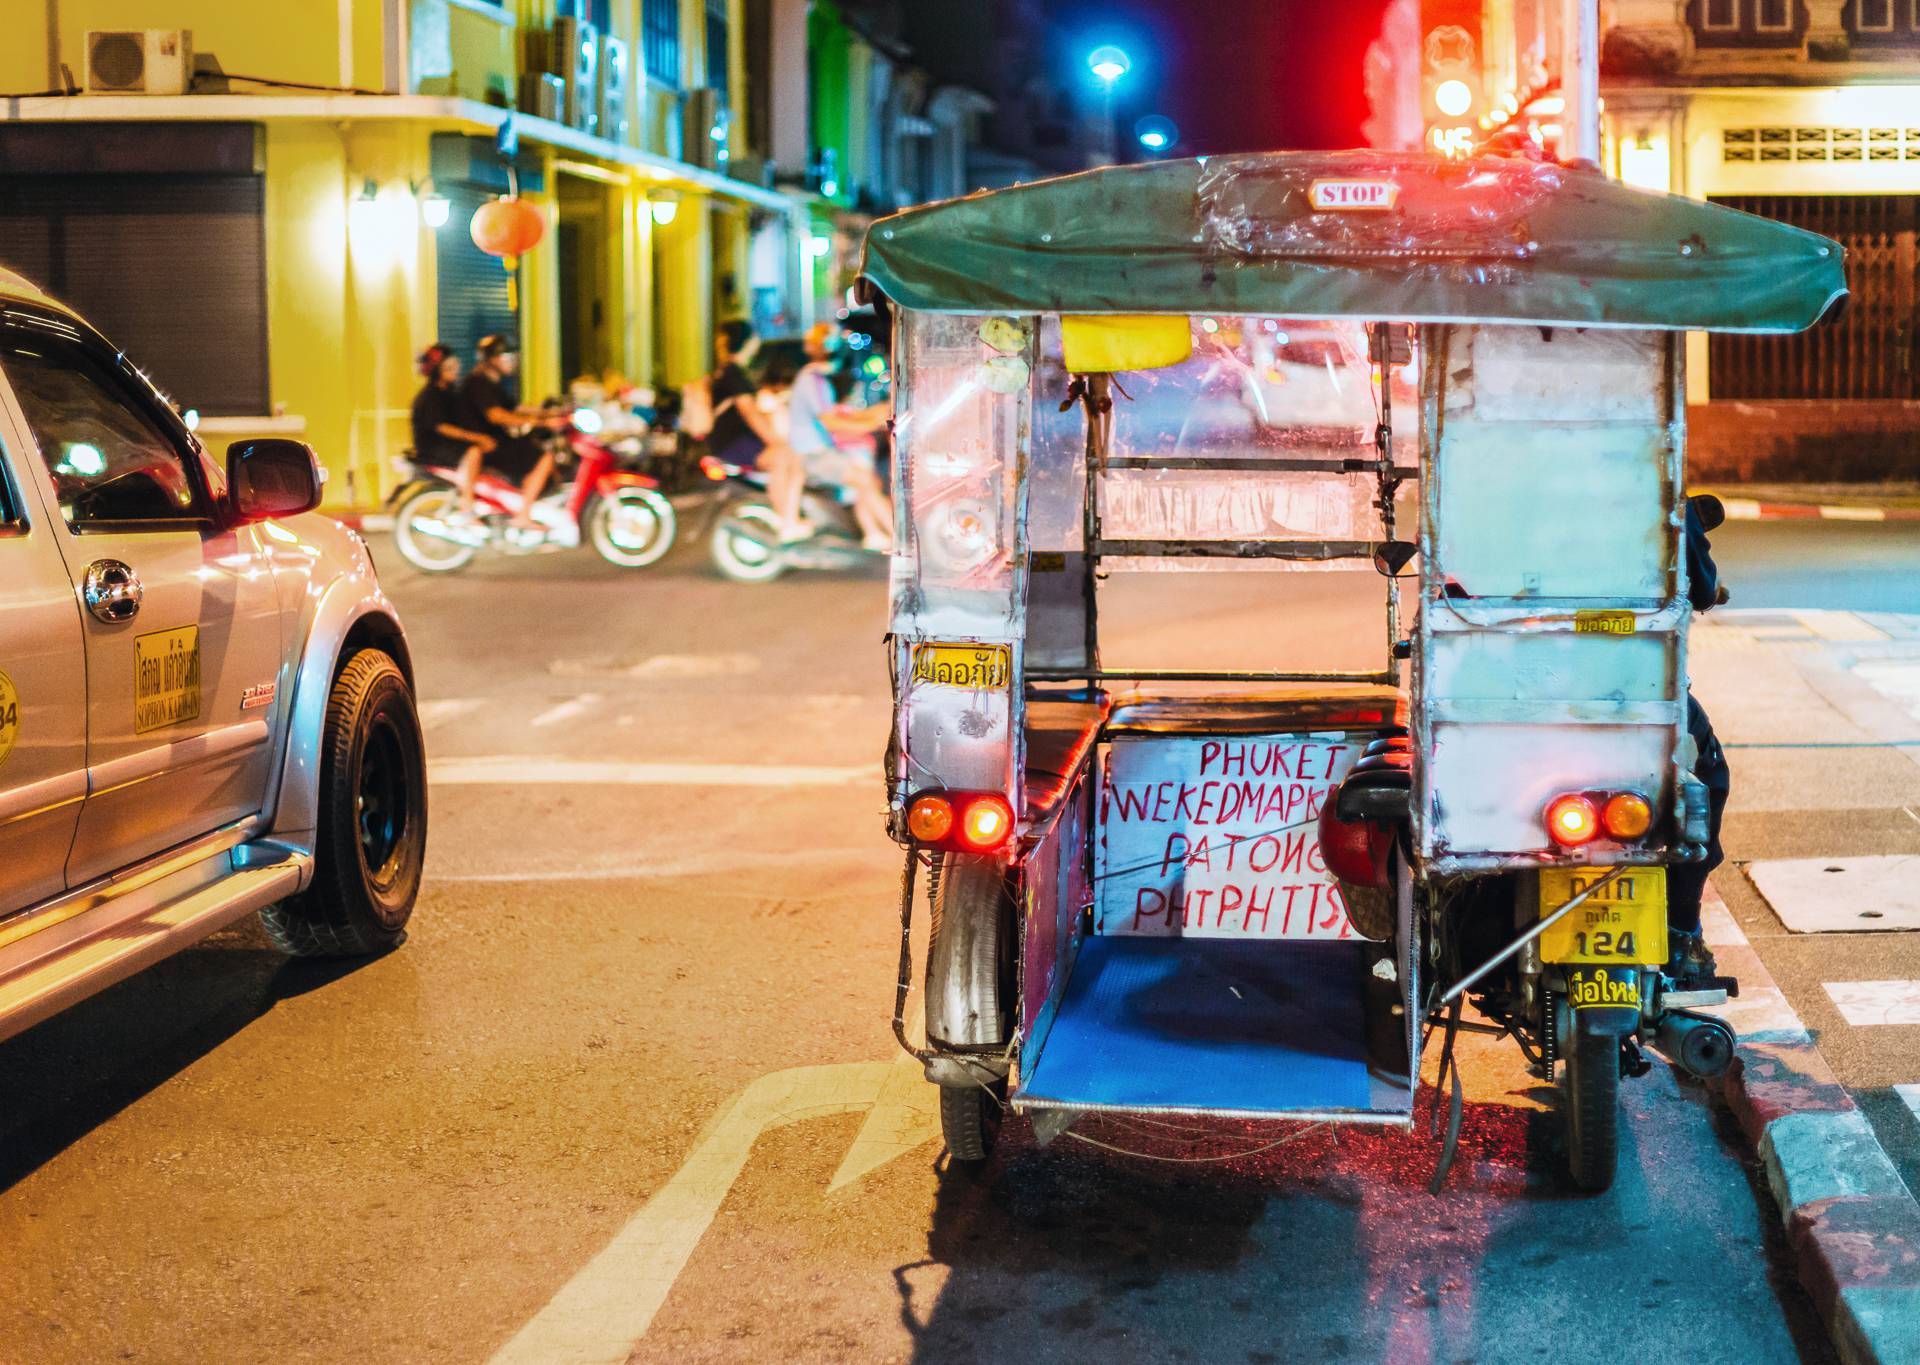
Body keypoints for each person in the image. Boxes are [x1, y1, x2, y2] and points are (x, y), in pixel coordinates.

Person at [1669, 493, 1735, 991]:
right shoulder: (1655, 483)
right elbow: (1703, 587)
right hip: (1645, 698)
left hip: (1513, 702)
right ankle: (1684, 931)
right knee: (1707, 778)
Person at [787, 322, 894, 551]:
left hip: (821, 450)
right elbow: (831, 422)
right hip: (814, 455)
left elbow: (840, 414)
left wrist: (873, 417)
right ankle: (898, 537)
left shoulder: (818, 379)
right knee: (865, 479)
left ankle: (873, 533)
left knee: (868, 480)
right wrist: (870, 425)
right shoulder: (812, 379)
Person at [704, 320, 808, 542]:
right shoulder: (734, 373)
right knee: (782, 458)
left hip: (732, 440)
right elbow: (750, 412)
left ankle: (791, 518)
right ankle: (788, 522)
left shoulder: (728, 371)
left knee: (794, 459)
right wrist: (774, 441)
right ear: (749, 343)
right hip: (734, 443)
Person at [459, 335, 557, 542]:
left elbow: (514, 408)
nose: (511, 360)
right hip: (488, 445)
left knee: (534, 447)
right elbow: (497, 415)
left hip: (495, 442)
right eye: (506, 356)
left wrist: (548, 413)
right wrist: (542, 422)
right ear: (492, 360)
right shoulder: (478, 382)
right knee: (545, 457)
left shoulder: (493, 382)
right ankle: (523, 515)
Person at [409, 344, 494, 517]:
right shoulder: (430, 396)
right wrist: (477, 438)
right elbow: (443, 427)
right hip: (433, 448)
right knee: (473, 453)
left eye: (455, 366)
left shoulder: (449, 391)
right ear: (437, 371)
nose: (455, 370)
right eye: (449, 367)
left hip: (446, 445)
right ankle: (467, 508)